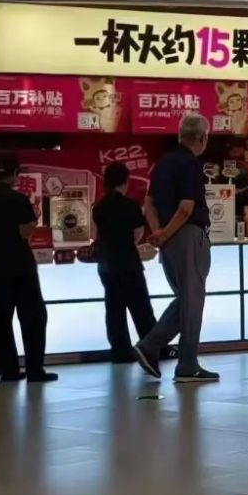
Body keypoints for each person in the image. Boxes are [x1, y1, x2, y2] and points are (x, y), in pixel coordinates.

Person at [133, 113, 218, 383]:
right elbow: (186, 207)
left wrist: (159, 232)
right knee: (193, 300)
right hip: (188, 236)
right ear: (202, 137)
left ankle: (153, 348)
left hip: (169, 241)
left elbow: (149, 205)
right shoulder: (190, 164)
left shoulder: (163, 162)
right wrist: (167, 232)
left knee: (185, 299)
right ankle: (181, 362)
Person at [0, 153, 57, 383]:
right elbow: (24, 231)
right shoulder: (18, 199)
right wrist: (34, 221)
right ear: (14, 174)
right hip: (19, 263)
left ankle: (8, 370)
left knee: (1, 318)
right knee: (33, 317)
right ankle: (34, 369)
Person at [93, 162, 157, 363]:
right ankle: (150, 348)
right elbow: (137, 234)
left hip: (106, 264)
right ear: (125, 181)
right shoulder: (130, 205)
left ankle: (120, 352)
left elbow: (95, 234)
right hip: (128, 262)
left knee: (114, 309)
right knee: (141, 308)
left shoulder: (98, 206)